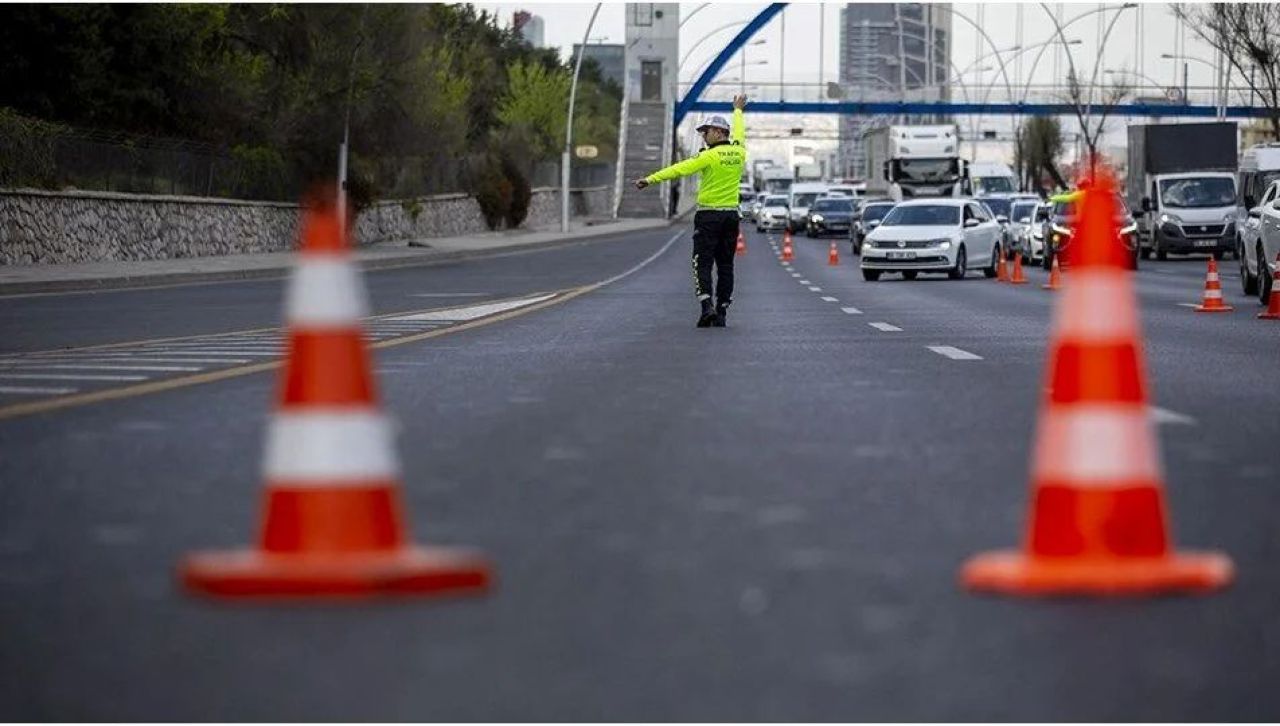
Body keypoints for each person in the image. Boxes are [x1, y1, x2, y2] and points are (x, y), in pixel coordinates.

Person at [636, 94, 748, 328]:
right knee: (726, 265)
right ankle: (723, 310)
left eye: (706, 132)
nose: (703, 136)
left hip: (708, 216)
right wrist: (738, 110)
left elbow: (679, 169)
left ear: (718, 132)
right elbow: (739, 133)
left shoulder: (708, 157)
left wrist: (650, 179)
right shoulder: (739, 152)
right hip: (730, 217)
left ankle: (706, 306)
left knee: (702, 262)